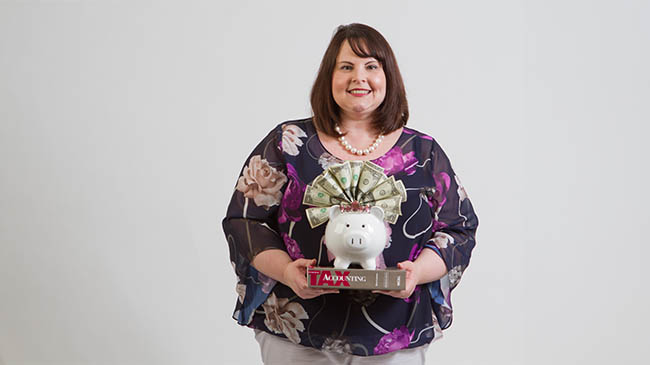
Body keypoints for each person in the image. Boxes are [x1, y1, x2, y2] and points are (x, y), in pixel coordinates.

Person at [222, 23, 478, 364]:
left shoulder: (423, 152)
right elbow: (245, 222)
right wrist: (286, 272)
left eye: (372, 66)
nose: (359, 77)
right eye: (346, 67)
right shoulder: (288, 142)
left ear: (389, 77)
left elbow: (457, 230)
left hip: (395, 331)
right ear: (329, 77)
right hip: (298, 332)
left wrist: (416, 273)